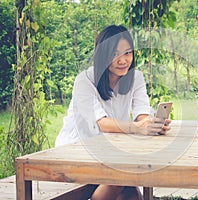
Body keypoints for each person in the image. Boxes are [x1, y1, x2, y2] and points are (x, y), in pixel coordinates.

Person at [55, 24, 171, 200]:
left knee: (132, 194)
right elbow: (101, 123)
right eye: (114, 54)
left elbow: (141, 113)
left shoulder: (135, 77)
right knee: (124, 175)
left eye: (128, 53)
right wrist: (137, 128)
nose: (123, 60)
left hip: (108, 150)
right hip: (75, 150)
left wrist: (151, 124)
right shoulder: (84, 81)